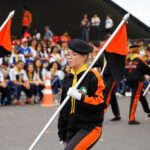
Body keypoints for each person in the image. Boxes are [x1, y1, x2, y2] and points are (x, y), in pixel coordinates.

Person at [58, 39, 106, 149]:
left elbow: (101, 104)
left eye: (74, 54)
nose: (69, 57)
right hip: (71, 128)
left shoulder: (94, 77)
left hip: (90, 127)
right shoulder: (68, 78)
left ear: (84, 57)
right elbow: (63, 107)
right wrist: (62, 134)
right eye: (68, 54)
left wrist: (81, 97)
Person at [125, 45, 150, 125]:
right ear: (137, 50)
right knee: (135, 98)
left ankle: (147, 110)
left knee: (140, 96)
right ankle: (131, 119)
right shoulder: (140, 59)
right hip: (137, 80)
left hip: (129, 80)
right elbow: (146, 69)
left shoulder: (127, 59)